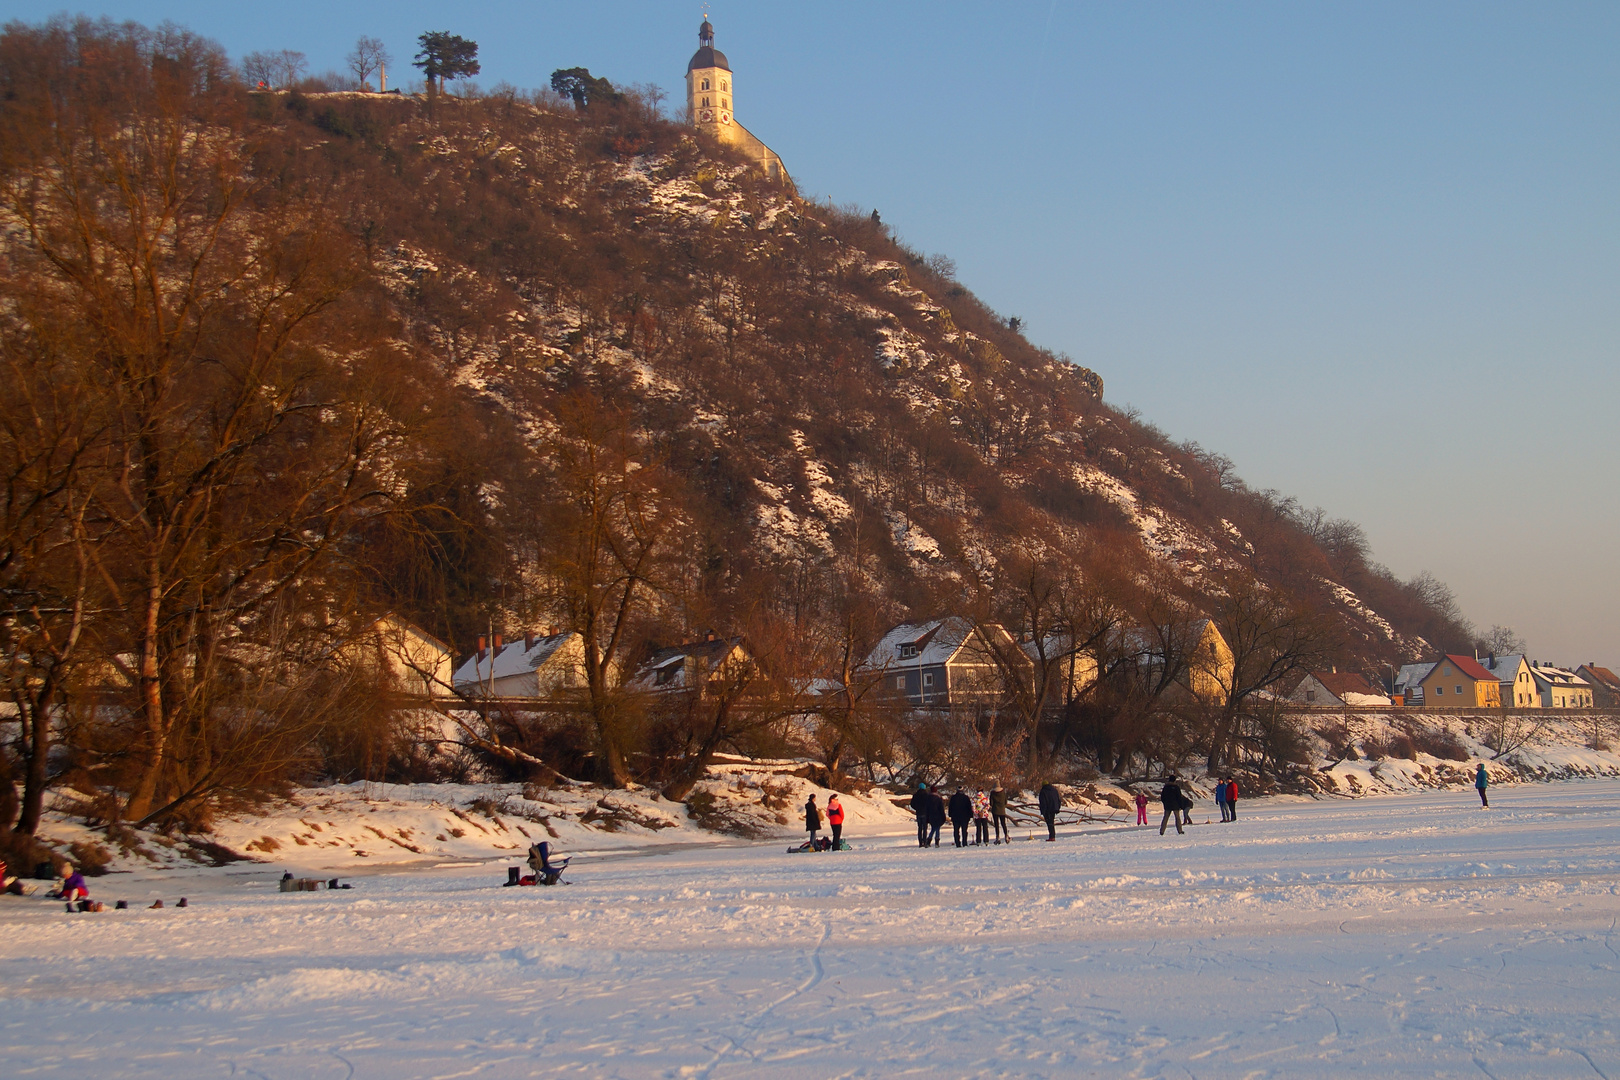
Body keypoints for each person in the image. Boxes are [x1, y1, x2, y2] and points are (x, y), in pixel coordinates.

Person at [911, 782, 930, 847]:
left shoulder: (915, 795)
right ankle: (924, 841)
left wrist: (917, 808)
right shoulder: (927, 795)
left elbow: (912, 804)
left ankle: (920, 842)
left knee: (920, 828)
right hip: (925, 813)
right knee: (925, 828)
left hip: (918, 813)